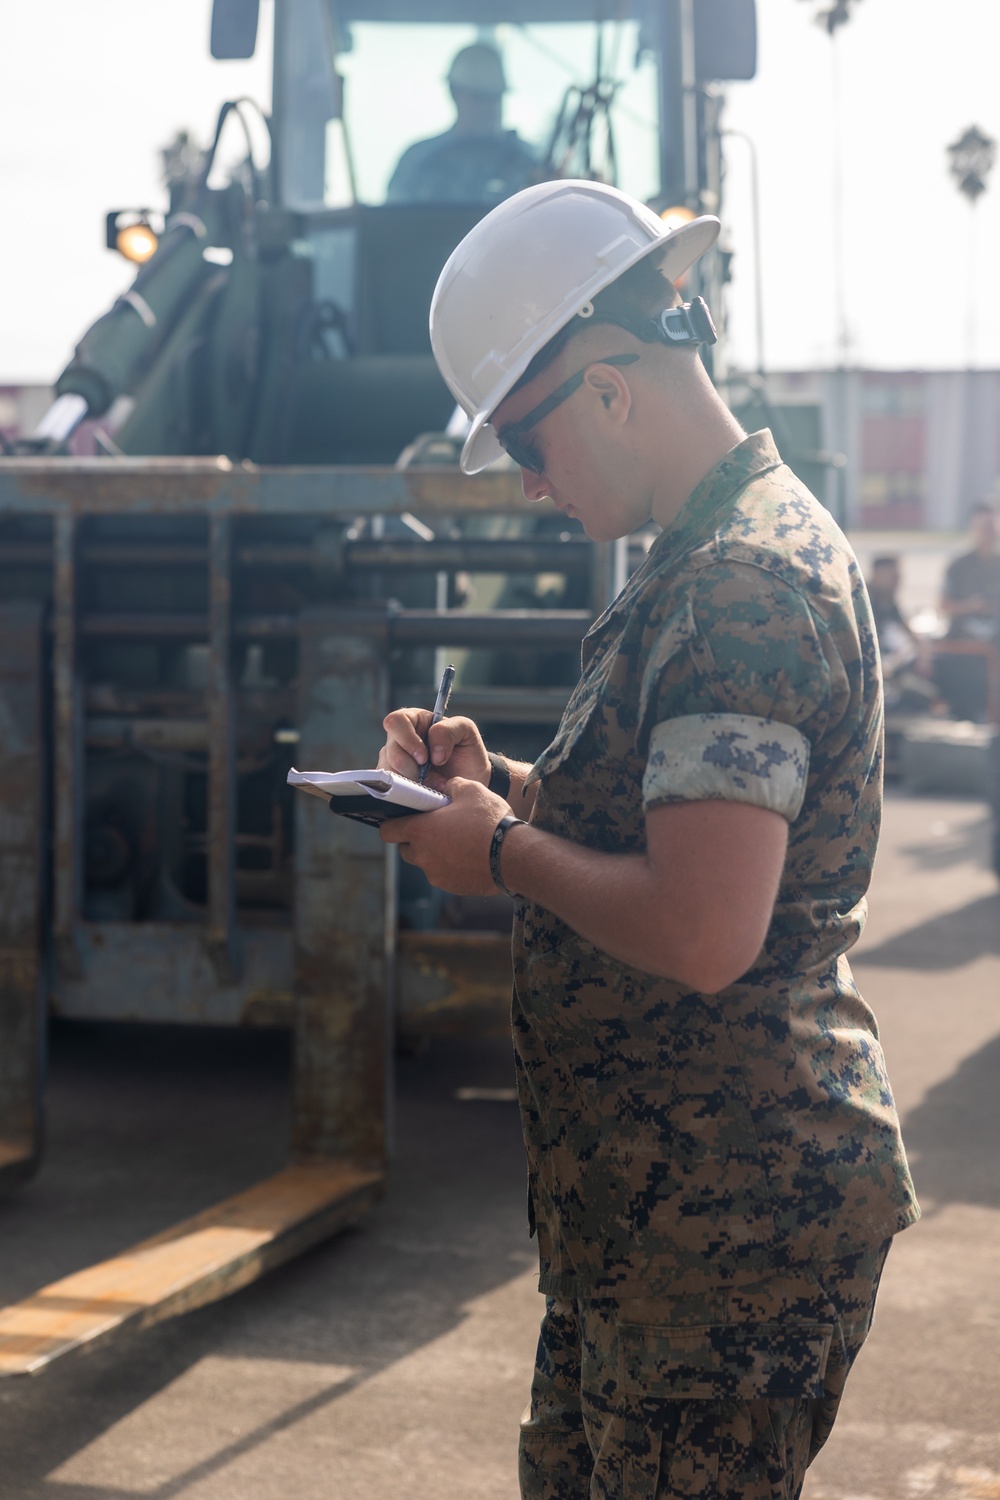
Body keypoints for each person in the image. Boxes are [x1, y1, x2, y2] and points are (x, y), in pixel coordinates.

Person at [377, 181, 919, 1500]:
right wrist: (496, 786)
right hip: (649, 1222)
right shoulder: (698, 559)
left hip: (725, 1242)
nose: (528, 477)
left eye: (525, 437)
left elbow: (702, 927)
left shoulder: (742, 581)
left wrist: (499, 851)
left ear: (611, 390)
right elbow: (669, 822)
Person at [386, 42, 538, 206]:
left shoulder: (529, 163)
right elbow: (392, 223)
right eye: (479, 98)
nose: (488, 108)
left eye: (494, 97)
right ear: (454, 93)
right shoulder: (418, 161)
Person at [935, 503, 1000, 720]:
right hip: (964, 645)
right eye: (983, 527)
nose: (988, 533)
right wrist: (970, 607)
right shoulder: (959, 565)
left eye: (991, 527)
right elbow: (943, 606)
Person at [867, 554, 937, 715]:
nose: (897, 581)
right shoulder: (865, 600)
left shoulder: (887, 600)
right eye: (893, 576)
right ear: (878, 574)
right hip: (872, 668)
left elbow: (909, 631)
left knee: (926, 695)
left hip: (889, 665)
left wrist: (923, 655)